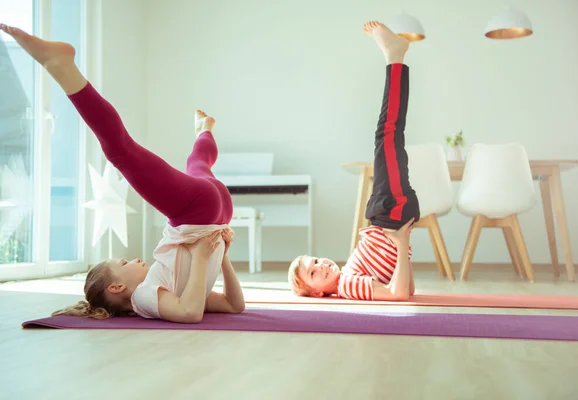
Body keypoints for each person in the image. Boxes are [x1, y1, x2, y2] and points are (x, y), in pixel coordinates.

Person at [0, 24, 245, 323]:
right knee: (124, 152)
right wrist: (220, 257)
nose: (136, 259)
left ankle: (203, 131)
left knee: (198, 168)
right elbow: (207, 310)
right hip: (201, 215)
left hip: (210, 211)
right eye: (125, 261)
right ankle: (61, 66)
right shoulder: (144, 296)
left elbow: (207, 306)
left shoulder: (161, 288)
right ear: (117, 287)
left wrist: (212, 253)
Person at [288, 21, 420, 301]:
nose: (322, 265)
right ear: (317, 293)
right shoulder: (346, 285)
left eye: (316, 261)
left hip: (386, 216)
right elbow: (399, 296)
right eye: (314, 272)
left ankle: (395, 56)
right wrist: (402, 240)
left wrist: (401, 245)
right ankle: (395, 57)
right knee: (388, 131)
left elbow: (406, 288)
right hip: (390, 216)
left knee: (390, 132)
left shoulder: (348, 274)